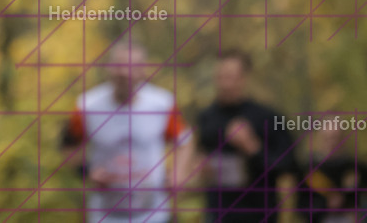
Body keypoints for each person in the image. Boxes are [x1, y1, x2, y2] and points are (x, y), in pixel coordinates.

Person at [61, 42, 194, 223]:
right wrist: (86, 171)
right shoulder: (87, 106)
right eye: (119, 65)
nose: (125, 73)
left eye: (133, 66)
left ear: (143, 71)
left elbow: (185, 140)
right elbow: (67, 148)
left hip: (154, 214)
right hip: (106, 215)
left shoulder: (162, 103)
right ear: (109, 67)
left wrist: (179, 171)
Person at [194, 50, 297, 222]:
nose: (225, 84)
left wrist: (252, 147)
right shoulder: (206, 117)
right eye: (220, 77)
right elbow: (200, 159)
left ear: (244, 78)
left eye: (231, 77)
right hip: (218, 213)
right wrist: (200, 167)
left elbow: (289, 166)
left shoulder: (268, 117)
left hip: (259, 213)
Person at [294, 119, 365, 222]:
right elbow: (301, 206)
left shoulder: (355, 167)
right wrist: (324, 206)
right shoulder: (309, 169)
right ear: (319, 139)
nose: (332, 142)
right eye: (327, 138)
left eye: (336, 138)